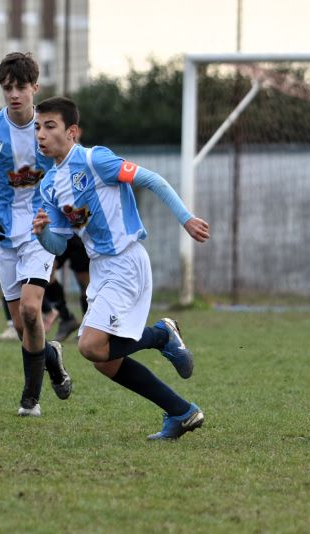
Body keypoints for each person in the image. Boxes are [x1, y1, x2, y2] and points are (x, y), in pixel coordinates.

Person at [32, 96, 210, 440]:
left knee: (89, 346)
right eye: (38, 127)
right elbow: (60, 245)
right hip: (101, 269)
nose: (41, 134)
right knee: (105, 360)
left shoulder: (95, 159)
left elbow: (153, 179)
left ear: (71, 132)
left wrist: (185, 219)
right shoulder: (49, 185)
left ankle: (161, 334)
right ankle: (181, 412)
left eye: (50, 126)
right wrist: (42, 234)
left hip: (126, 262)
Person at [0, 52, 71, 416]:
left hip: (40, 229)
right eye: (7, 88)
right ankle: (51, 358)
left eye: (21, 87)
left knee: (32, 310)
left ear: (35, 87)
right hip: (2, 234)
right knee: (24, 328)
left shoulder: (49, 128)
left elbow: (70, 167)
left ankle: (30, 400)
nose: (14, 94)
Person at [46, 234, 89, 342]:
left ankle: (88, 328)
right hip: (60, 233)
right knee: (46, 273)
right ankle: (66, 319)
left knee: (85, 284)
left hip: (80, 235)